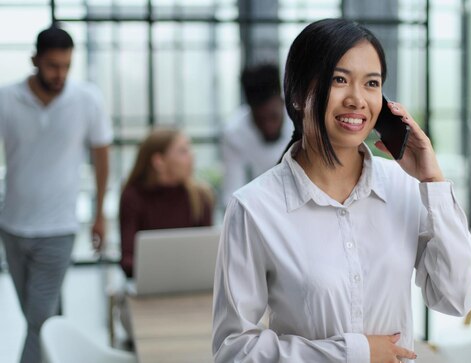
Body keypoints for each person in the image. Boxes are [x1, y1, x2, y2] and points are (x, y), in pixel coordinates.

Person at [212, 18, 471, 363]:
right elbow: (233, 351)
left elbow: (455, 298)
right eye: (339, 80)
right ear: (296, 94)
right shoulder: (254, 208)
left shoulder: (404, 188)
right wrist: (353, 352)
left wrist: (433, 181)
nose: (357, 99)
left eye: (372, 83)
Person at [0, 25, 112, 363]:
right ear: (34, 60)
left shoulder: (87, 99)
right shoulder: (6, 98)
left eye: (66, 65)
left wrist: (99, 213)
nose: (60, 73)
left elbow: (101, 156)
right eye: (52, 65)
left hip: (59, 228)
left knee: (38, 320)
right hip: (13, 226)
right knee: (41, 317)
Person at [119, 128, 214, 278]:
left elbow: (207, 256)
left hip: (193, 284)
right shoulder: (133, 197)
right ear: (159, 161)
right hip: (149, 287)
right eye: (183, 151)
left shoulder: (201, 196)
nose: (192, 156)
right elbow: (128, 260)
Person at [220, 63, 293, 208]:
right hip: (259, 207)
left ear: (282, 102)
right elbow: (232, 191)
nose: (268, 126)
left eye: (273, 117)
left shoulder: (301, 122)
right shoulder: (235, 133)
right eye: (260, 119)